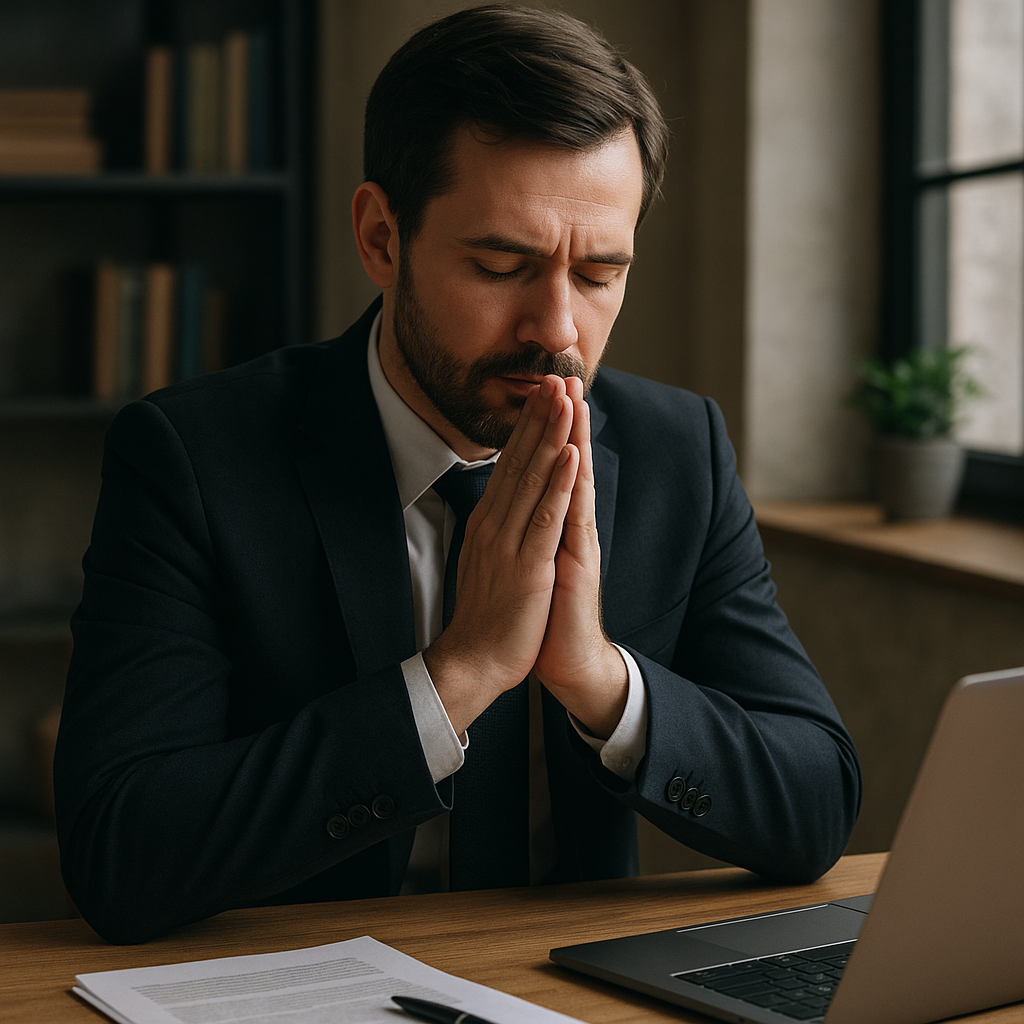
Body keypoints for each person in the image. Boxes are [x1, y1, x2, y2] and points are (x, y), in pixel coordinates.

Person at [54, 4, 861, 945]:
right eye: (499, 264)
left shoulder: (680, 450)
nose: (557, 331)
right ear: (381, 238)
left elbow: (815, 803)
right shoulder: (191, 459)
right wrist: (457, 678)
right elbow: (120, 854)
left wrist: (602, 682)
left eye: (599, 274)